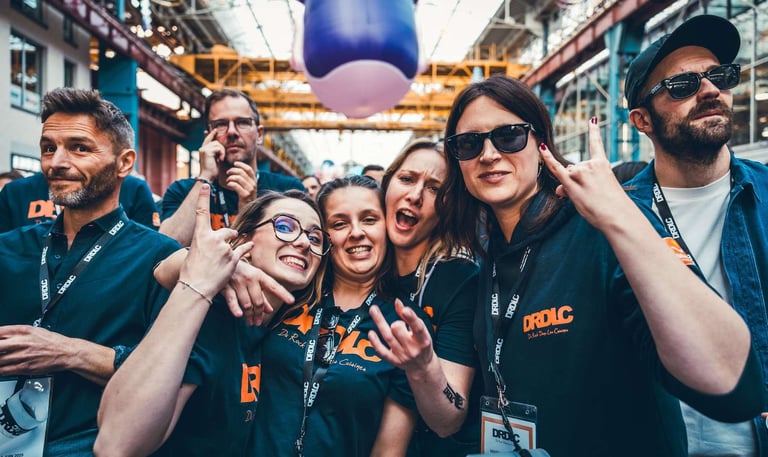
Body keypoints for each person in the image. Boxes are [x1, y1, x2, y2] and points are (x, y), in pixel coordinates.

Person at [439, 74, 763, 457]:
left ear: (541, 142)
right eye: (469, 143)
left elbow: (732, 385)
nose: (488, 154)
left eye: (509, 135)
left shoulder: (601, 228)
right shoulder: (488, 254)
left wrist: (618, 217)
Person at [0, 88, 179, 456]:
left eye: (80, 148)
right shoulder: (9, 249)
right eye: (48, 147)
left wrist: (71, 353)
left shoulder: (159, 259)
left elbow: (172, 375)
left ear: (124, 162)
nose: (56, 162)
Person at [623, 14, 768, 457]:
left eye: (719, 77)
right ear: (642, 120)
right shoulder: (617, 215)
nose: (709, 91)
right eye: (682, 85)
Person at [95, 187, 328, 457]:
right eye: (285, 226)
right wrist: (199, 280)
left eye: (315, 237)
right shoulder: (211, 314)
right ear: (244, 240)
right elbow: (116, 445)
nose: (303, 242)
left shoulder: (280, 327)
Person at [251, 175, 428, 456]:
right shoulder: (291, 292)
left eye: (369, 219)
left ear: (387, 227)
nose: (356, 232)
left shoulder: (404, 324)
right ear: (323, 237)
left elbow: (388, 451)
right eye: (339, 223)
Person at [367, 138, 481, 456]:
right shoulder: (359, 267)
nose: (415, 196)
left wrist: (423, 367)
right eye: (407, 179)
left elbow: (450, 418)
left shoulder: (459, 279)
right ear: (387, 186)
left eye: (434, 189)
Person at [160, 89, 305, 245]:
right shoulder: (182, 191)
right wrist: (205, 177)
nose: (232, 132)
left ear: (260, 135)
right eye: (221, 124)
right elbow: (166, 248)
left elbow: (295, 248)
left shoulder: (287, 190)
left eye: (242, 122)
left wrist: (249, 208)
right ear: (208, 136)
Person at [0, 171, 160, 232]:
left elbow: (150, 255)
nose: (60, 159)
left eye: (80, 148)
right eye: (50, 147)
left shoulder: (132, 188)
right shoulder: (15, 192)